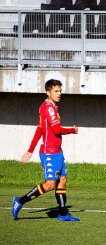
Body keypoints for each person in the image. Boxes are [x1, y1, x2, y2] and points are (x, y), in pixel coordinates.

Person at [12, 79, 80, 222]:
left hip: (58, 152)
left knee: (62, 180)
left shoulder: (49, 107)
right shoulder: (49, 108)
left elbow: (39, 130)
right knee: (50, 184)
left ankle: (62, 214)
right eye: (56, 91)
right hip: (49, 153)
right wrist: (72, 130)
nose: (59, 93)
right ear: (48, 92)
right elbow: (55, 129)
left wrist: (30, 150)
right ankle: (20, 201)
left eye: (60, 91)